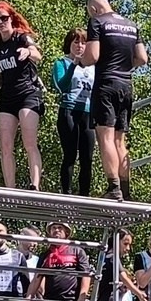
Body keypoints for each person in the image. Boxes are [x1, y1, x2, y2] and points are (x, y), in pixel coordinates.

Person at [85, 0, 148, 201]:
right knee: (120, 141)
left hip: (106, 84)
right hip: (126, 85)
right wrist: (125, 66)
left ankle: (113, 187)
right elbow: (142, 58)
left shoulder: (97, 22)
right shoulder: (131, 25)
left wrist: (80, 60)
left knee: (106, 138)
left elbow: (92, 56)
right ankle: (126, 190)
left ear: (94, 9)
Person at [0, 0, 46, 190]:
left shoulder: (21, 37)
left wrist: (28, 51)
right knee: (5, 146)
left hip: (28, 94)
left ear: (11, 18)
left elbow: (37, 54)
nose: (1, 22)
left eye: (4, 18)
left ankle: (34, 185)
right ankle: (10, 188)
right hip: (7, 98)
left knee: (29, 141)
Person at [50, 27, 96, 196]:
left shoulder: (93, 66)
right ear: (69, 44)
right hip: (69, 111)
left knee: (87, 158)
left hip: (88, 113)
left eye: (83, 42)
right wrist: (74, 64)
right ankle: (67, 193)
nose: (80, 46)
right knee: (70, 155)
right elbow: (61, 85)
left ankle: (85, 195)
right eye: (76, 42)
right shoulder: (61, 63)